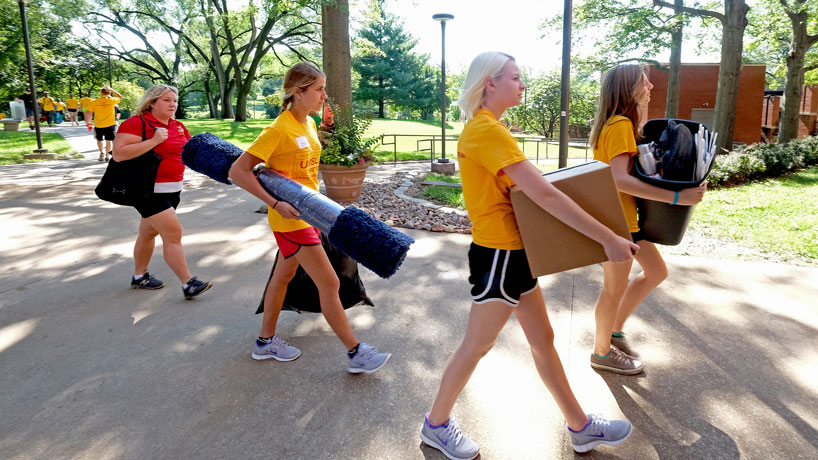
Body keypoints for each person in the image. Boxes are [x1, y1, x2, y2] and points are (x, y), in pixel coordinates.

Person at [418, 52, 640, 459]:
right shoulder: (486, 131)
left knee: (543, 339)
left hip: (512, 255)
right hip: (500, 256)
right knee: (476, 345)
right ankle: (436, 424)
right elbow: (542, 193)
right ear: (490, 83)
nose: (522, 85)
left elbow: (530, 190)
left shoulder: (488, 128)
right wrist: (608, 237)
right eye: (516, 78)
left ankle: (580, 426)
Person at [228, 62, 391, 373]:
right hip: (290, 219)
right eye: (318, 89)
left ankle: (265, 343)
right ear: (297, 92)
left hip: (309, 215)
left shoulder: (309, 123)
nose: (324, 96)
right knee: (329, 283)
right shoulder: (277, 129)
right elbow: (238, 171)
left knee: (283, 276)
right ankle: (356, 352)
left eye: (324, 89)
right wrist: (274, 203)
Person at [588, 64, 707, 375]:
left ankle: (613, 332)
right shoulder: (618, 126)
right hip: (616, 221)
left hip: (627, 220)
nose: (651, 86)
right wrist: (678, 198)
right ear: (628, 88)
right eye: (644, 82)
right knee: (612, 289)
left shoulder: (622, 124)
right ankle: (601, 353)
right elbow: (618, 180)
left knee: (655, 271)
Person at [112, 84, 213, 300]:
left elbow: (190, 153)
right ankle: (188, 283)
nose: (173, 104)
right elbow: (119, 154)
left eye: (174, 101)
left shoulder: (177, 126)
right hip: (147, 190)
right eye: (167, 100)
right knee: (173, 234)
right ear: (152, 102)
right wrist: (154, 141)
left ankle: (139, 277)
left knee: (148, 233)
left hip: (172, 189)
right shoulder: (136, 123)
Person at [86, 86, 122, 162]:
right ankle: (107, 156)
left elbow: (89, 112)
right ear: (109, 93)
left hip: (98, 124)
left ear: (101, 93)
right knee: (108, 141)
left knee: (99, 140)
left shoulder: (93, 102)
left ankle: (101, 152)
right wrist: (112, 89)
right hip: (110, 124)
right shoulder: (112, 100)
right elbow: (120, 96)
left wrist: (88, 122)